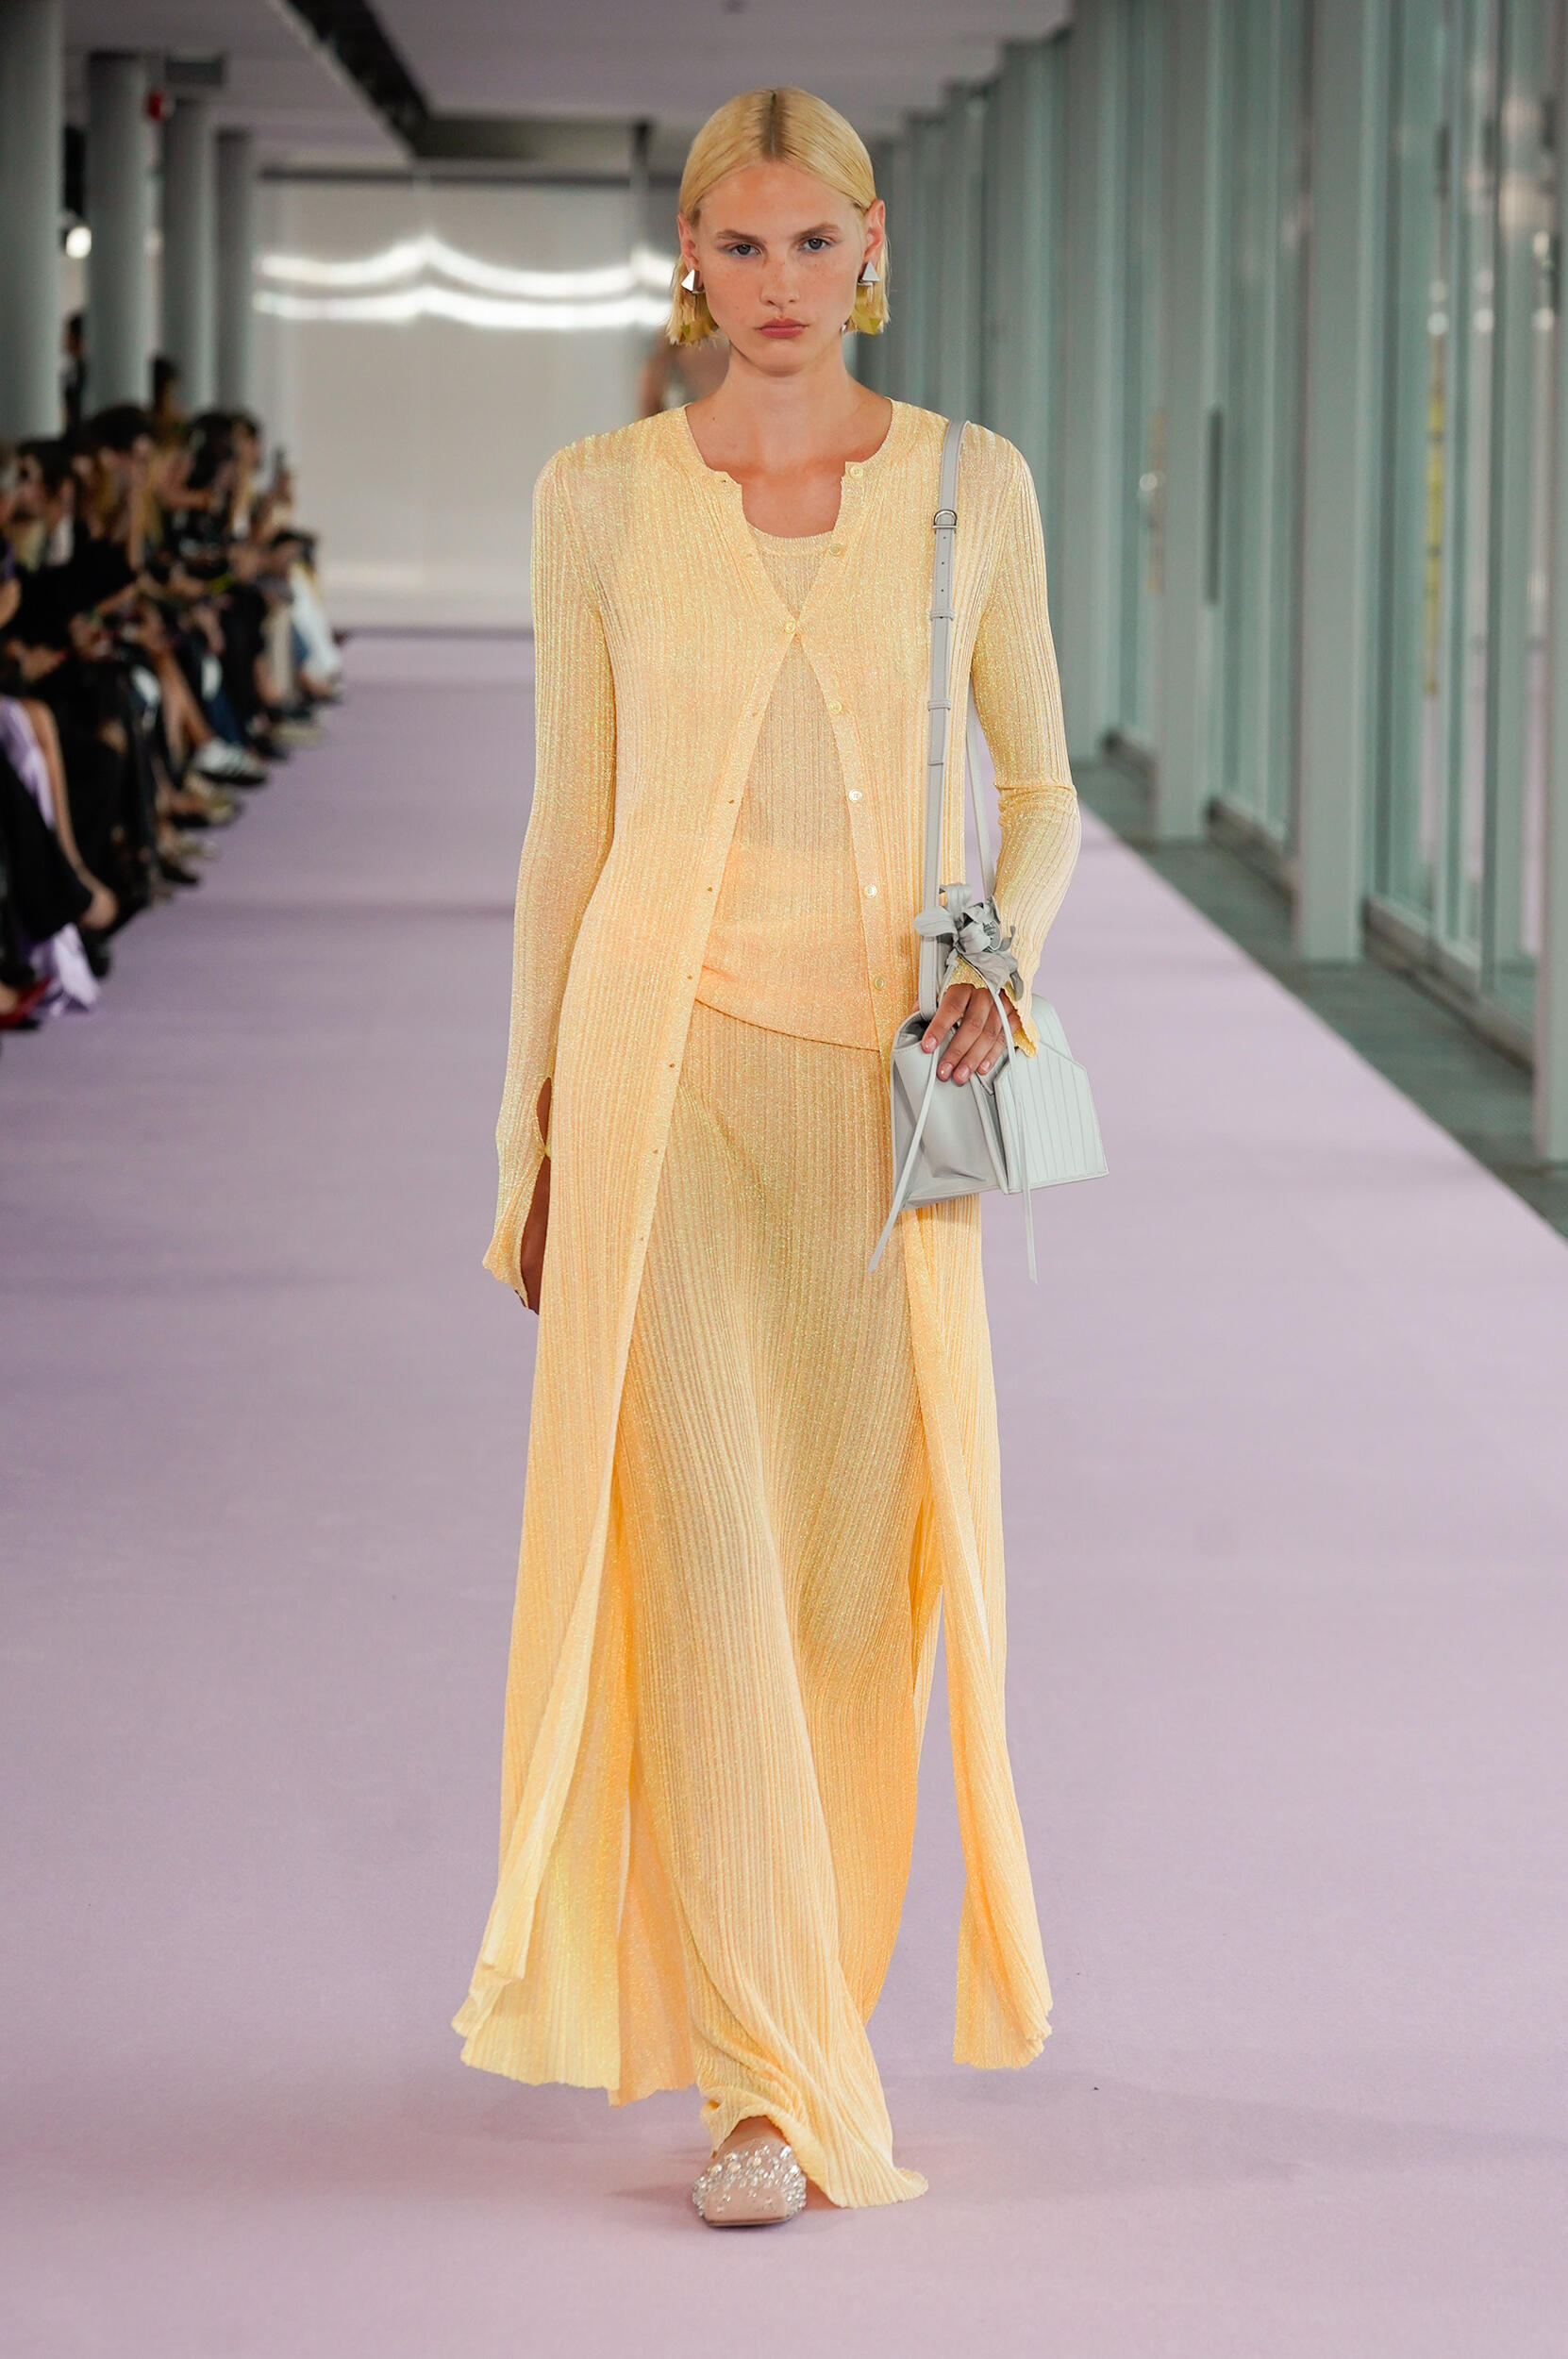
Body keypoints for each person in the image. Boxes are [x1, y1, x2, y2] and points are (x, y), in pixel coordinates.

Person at [452, 85, 1082, 2227]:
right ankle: (764, 2080)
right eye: (741, 246)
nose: (780, 284)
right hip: (665, 1077)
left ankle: (813, 2004)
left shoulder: (972, 487)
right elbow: (566, 828)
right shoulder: (600, 498)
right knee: (710, 1569)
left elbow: (1039, 790)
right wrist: (532, 1129)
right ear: (689, 263)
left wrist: (1003, 960)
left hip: (883, 1110)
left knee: (844, 1588)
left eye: (816, 243)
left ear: (871, 249)